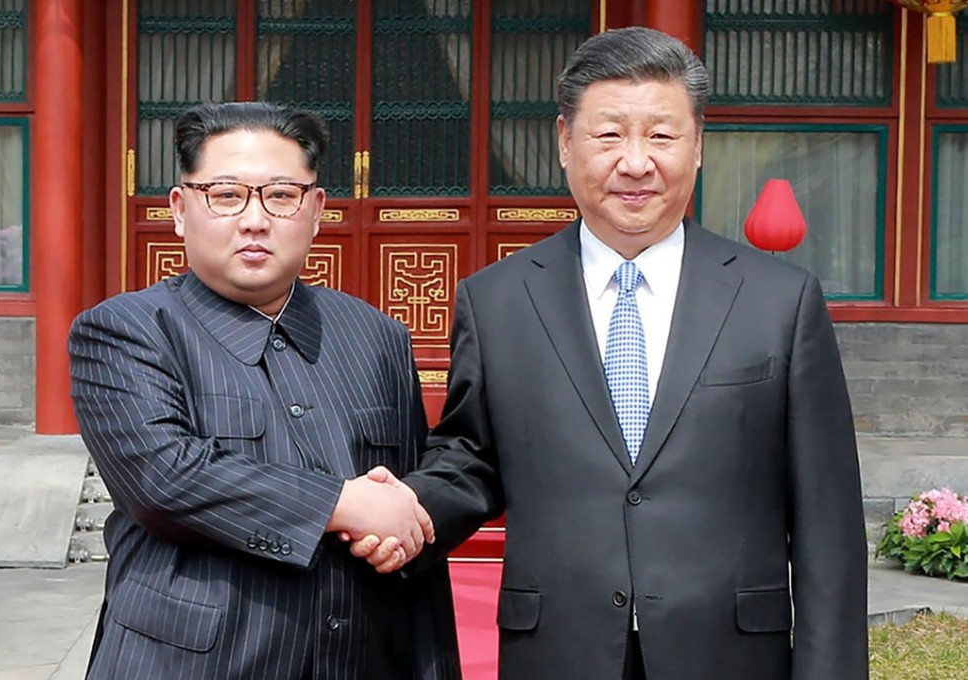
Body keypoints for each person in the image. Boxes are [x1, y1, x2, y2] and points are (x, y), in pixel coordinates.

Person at [353, 26, 868, 680]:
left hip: (731, 655)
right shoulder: (498, 301)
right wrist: (407, 513)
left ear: (699, 146)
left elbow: (830, 523)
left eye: (661, 135)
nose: (635, 161)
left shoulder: (780, 301)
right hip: (559, 651)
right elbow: (471, 460)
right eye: (609, 135)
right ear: (565, 143)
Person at [68, 101, 461, 680]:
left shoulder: (376, 335)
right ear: (179, 209)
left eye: (281, 195)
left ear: (317, 208)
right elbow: (165, 478)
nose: (254, 220)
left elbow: (400, 510)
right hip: (190, 662)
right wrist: (341, 503)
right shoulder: (125, 330)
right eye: (225, 195)